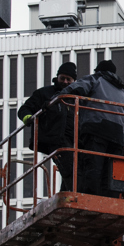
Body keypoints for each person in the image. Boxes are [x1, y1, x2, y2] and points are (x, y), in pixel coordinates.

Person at [59, 60, 124, 196]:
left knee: (93, 166)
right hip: (117, 136)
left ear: (98, 70)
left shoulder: (95, 79)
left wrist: (55, 99)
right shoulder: (122, 92)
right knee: (111, 172)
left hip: (96, 129)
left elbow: (74, 90)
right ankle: (110, 200)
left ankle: (89, 197)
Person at [17, 62, 78, 191]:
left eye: (69, 79)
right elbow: (24, 109)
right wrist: (28, 117)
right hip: (53, 139)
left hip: (72, 141)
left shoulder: (76, 98)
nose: (65, 82)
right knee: (70, 168)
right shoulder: (45, 93)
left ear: (74, 81)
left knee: (74, 168)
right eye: (62, 78)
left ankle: (66, 194)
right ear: (57, 77)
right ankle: (70, 195)